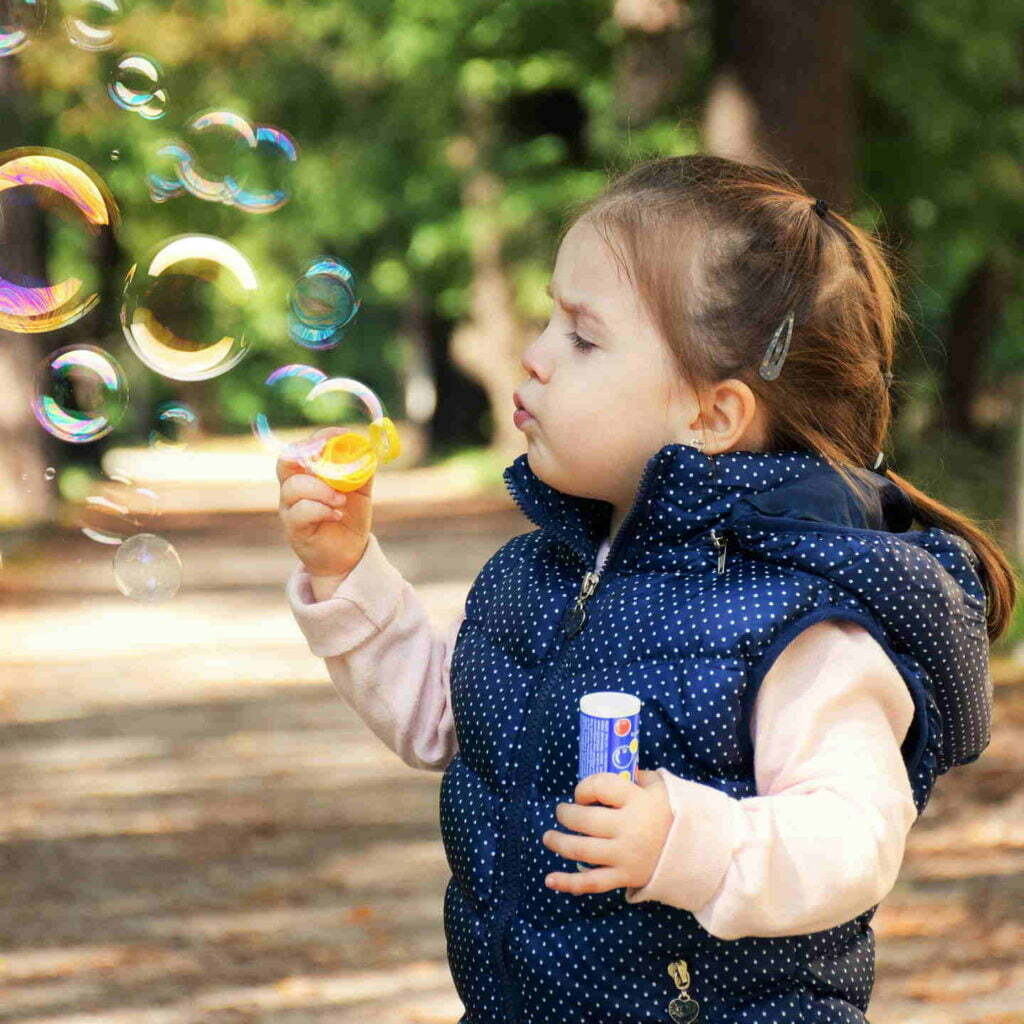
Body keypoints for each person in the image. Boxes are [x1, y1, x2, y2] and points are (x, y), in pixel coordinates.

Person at [279, 154, 1016, 1024]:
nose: (536, 355)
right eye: (552, 320)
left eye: (583, 337)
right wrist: (346, 571)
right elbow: (450, 719)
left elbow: (854, 837)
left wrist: (689, 841)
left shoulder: (795, 619)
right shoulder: (542, 570)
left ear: (711, 416)